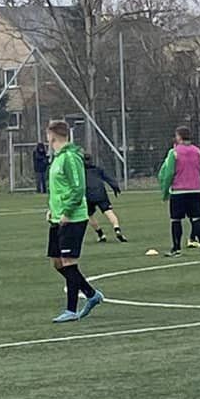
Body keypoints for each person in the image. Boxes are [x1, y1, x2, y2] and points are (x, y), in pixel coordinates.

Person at [43, 121, 103, 322]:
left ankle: (70, 310)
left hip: (73, 218)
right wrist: (52, 209)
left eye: (47, 134)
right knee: (57, 262)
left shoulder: (70, 157)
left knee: (69, 262)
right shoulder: (57, 158)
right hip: (57, 217)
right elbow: (59, 188)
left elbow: (78, 188)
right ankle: (91, 294)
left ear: (52, 135)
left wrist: (67, 212)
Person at [158, 126, 200, 256]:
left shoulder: (174, 152)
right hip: (195, 191)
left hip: (178, 192)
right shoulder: (198, 152)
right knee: (197, 219)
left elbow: (169, 174)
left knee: (176, 220)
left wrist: (165, 192)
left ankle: (176, 249)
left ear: (179, 137)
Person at [84, 152, 128, 243]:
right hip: (101, 193)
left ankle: (100, 234)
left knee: (89, 215)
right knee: (108, 211)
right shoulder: (98, 169)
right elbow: (108, 178)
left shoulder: (80, 172)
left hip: (88, 194)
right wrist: (115, 187)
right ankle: (117, 229)